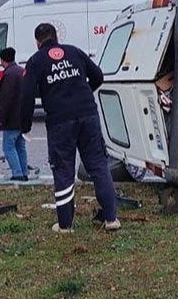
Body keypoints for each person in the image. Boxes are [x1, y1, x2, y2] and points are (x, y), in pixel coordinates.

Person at [20, 22, 120, 233]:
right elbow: (98, 76)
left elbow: (26, 95)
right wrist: (82, 93)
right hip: (88, 115)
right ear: (56, 37)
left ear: (38, 42)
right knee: (99, 166)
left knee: (63, 170)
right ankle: (111, 219)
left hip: (60, 121)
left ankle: (65, 225)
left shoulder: (36, 61)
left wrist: (25, 125)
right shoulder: (75, 52)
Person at [0, 47, 29, 181]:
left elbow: (6, 99)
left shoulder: (8, 74)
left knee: (8, 147)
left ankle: (17, 174)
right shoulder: (22, 71)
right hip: (22, 116)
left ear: (3, 60)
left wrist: (2, 119)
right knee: (20, 145)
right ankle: (24, 172)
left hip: (12, 118)